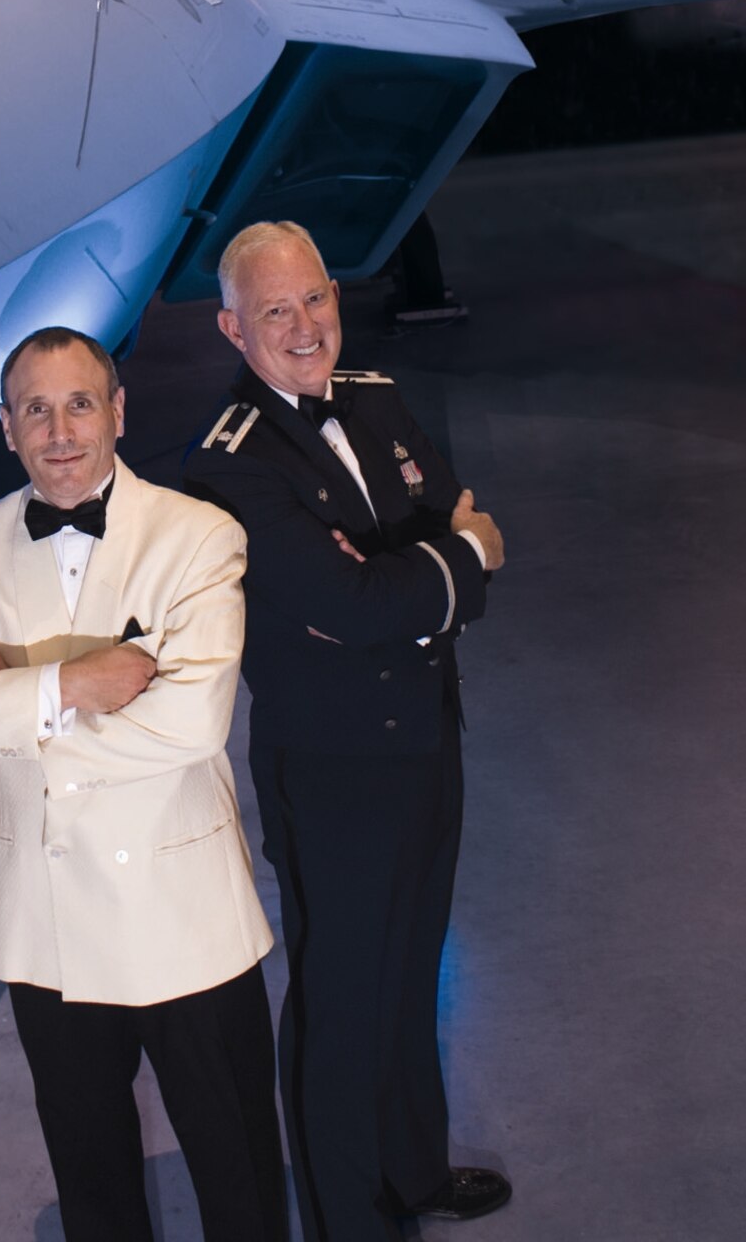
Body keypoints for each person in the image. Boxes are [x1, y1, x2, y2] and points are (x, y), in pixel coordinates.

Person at [0, 325, 288, 1242]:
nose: (59, 431)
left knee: (238, 1175)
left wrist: (6, 700)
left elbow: (192, 725)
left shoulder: (197, 535)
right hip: (47, 924)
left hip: (184, 919)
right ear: (6, 428)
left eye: (79, 403)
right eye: (35, 409)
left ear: (117, 412)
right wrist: (72, 685)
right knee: (92, 1185)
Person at [182, 221, 511, 1242]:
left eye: (315, 298)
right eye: (274, 310)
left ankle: (411, 1170)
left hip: (427, 733)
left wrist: (405, 577)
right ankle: (348, 1222)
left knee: (411, 971)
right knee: (340, 1001)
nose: (304, 326)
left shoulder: (374, 396)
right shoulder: (229, 462)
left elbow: (454, 526)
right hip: (332, 769)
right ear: (234, 329)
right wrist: (442, 564)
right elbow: (377, 590)